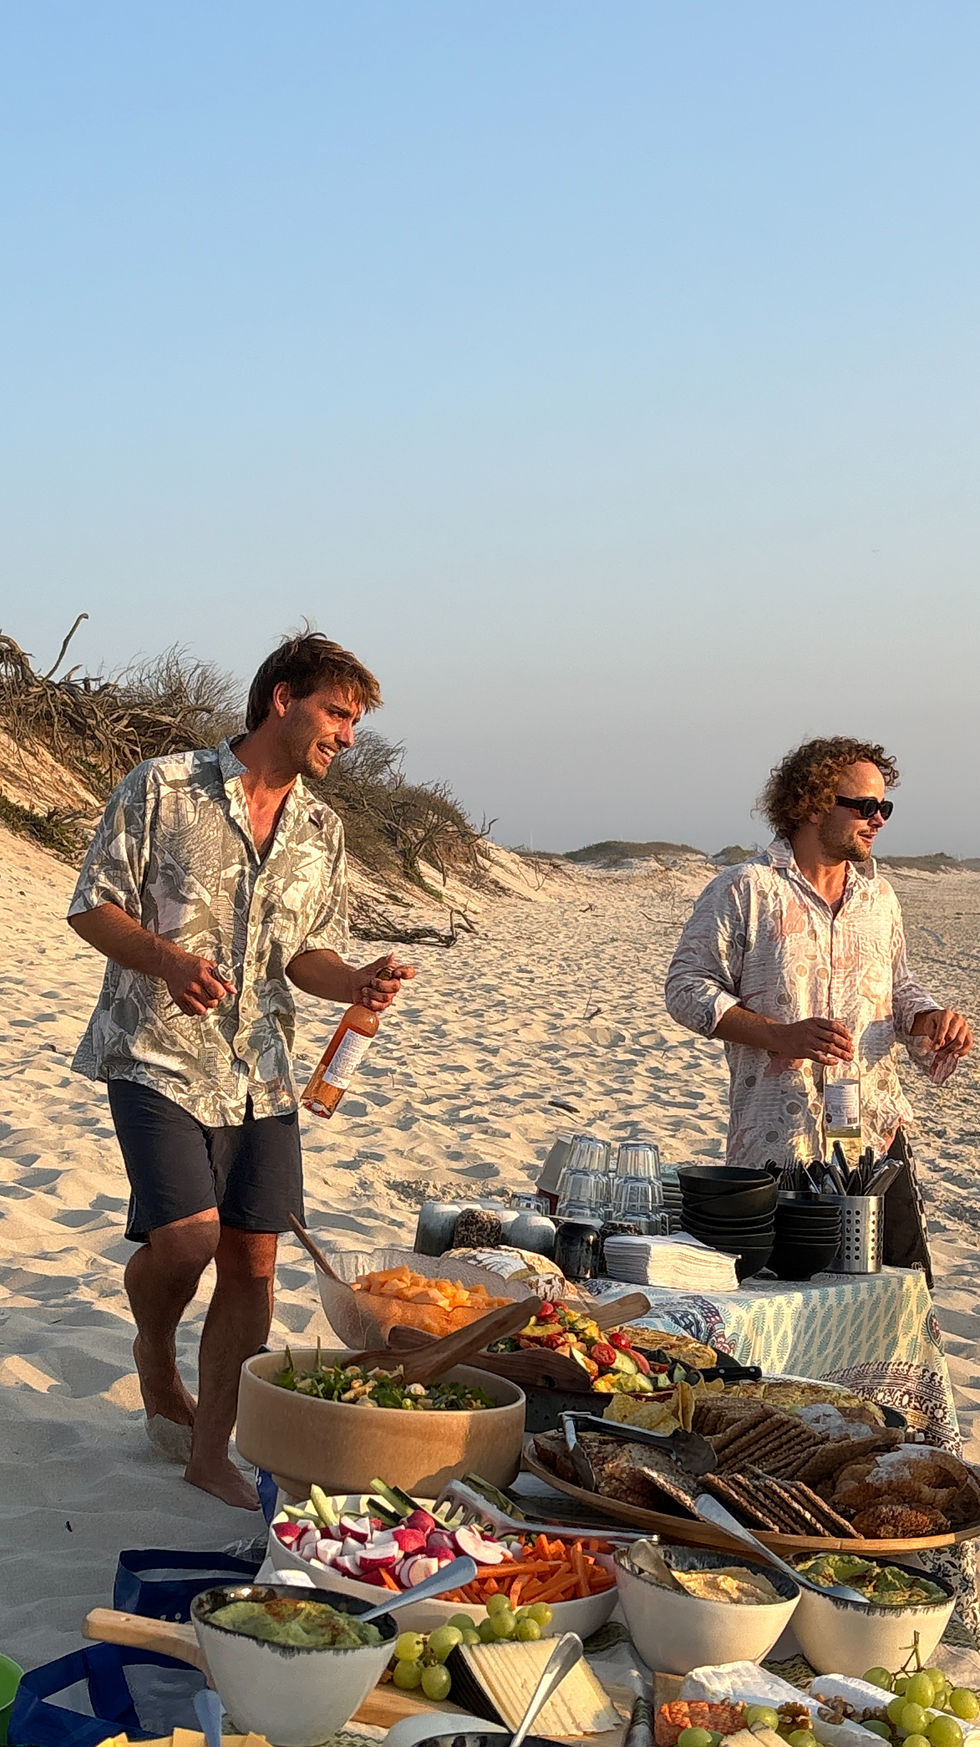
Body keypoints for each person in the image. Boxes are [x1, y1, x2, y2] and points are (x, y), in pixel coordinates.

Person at [68, 632, 414, 1509]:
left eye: (356, 720)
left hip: (264, 1069)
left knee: (253, 1263)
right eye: (338, 713)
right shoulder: (163, 786)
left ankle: (210, 1449)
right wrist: (168, 961)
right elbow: (91, 904)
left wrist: (356, 981)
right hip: (155, 1052)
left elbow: (308, 955)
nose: (347, 734)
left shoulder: (322, 829)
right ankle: (154, 1346)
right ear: (282, 698)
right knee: (185, 1239)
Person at [664, 737, 973, 1171]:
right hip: (779, 1142)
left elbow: (897, 989)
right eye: (865, 807)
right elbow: (685, 988)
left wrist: (930, 1019)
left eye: (885, 808)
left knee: (879, 1241)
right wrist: (779, 1035)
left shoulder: (879, 898)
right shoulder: (745, 889)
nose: (879, 820)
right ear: (813, 805)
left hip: (874, 1141)